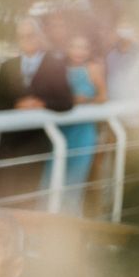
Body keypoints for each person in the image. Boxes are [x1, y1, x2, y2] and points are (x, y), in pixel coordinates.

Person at [0, 17, 73, 207]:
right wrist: (17, 105)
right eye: (22, 36)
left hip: (35, 143)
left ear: (39, 37)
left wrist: (42, 103)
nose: (26, 39)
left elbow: (66, 102)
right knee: (4, 193)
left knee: (28, 195)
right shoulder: (7, 66)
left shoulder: (55, 65)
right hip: (9, 143)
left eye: (31, 35)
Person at [43, 32, 107, 215]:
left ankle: (69, 232)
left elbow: (103, 97)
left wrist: (85, 100)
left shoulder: (93, 68)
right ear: (68, 48)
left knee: (74, 183)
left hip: (83, 132)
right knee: (52, 179)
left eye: (84, 47)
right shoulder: (61, 68)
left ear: (89, 50)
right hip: (61, 131)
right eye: (75, 46)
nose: (79, 51)